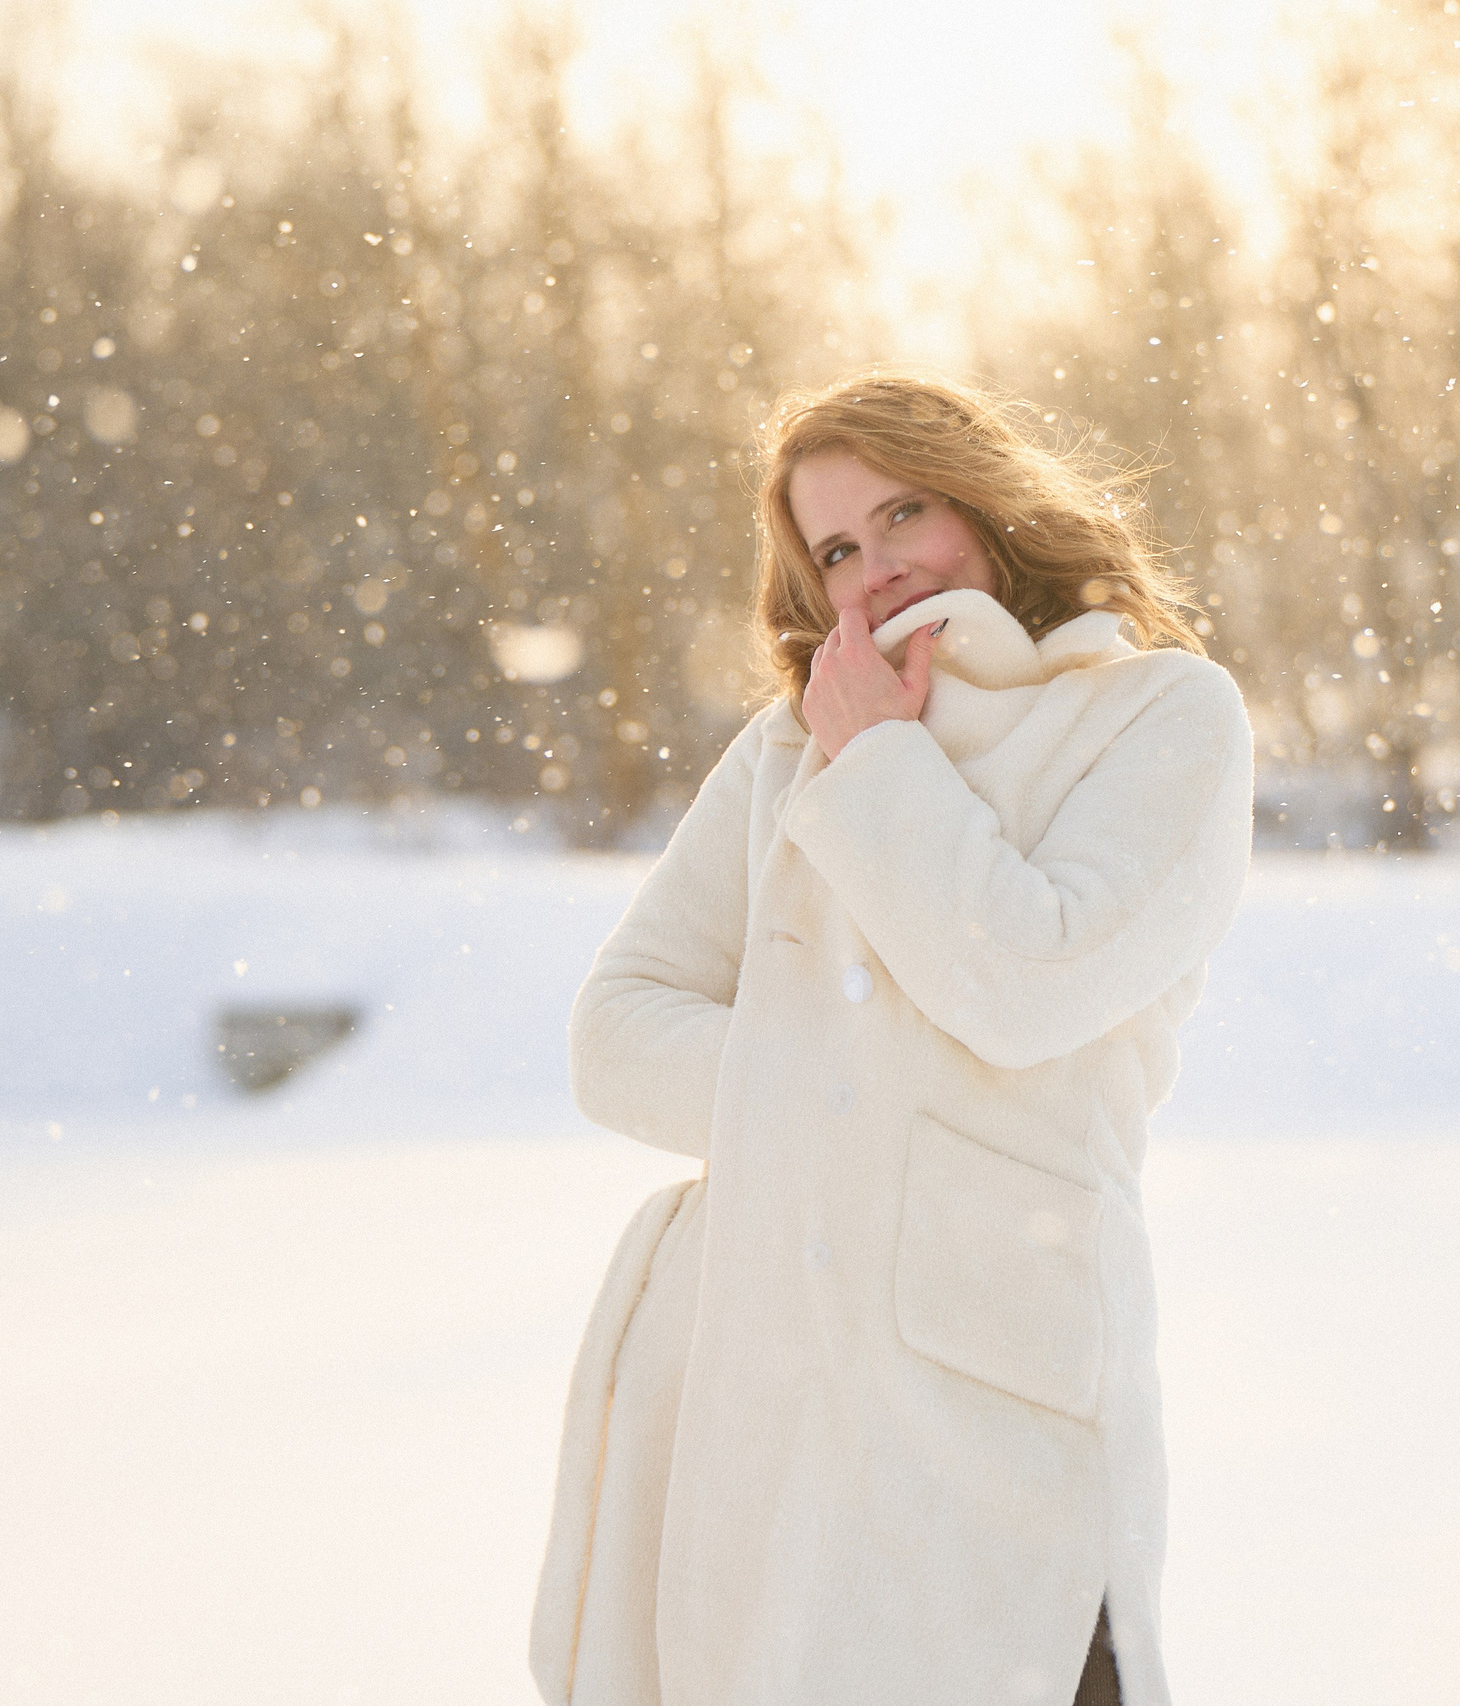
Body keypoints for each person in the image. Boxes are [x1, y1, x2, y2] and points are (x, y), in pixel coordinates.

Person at [529, 370, 1254, 1706]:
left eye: (903, 512)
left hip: (999, 1402)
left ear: (984, 503)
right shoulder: (781, 748)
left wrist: (877, 765)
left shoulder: (1163, 718)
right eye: (837, 549)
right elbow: (618, 1031)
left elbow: (1027, 985)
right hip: (761, 1403)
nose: (873, 572)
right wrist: (847, 1097)